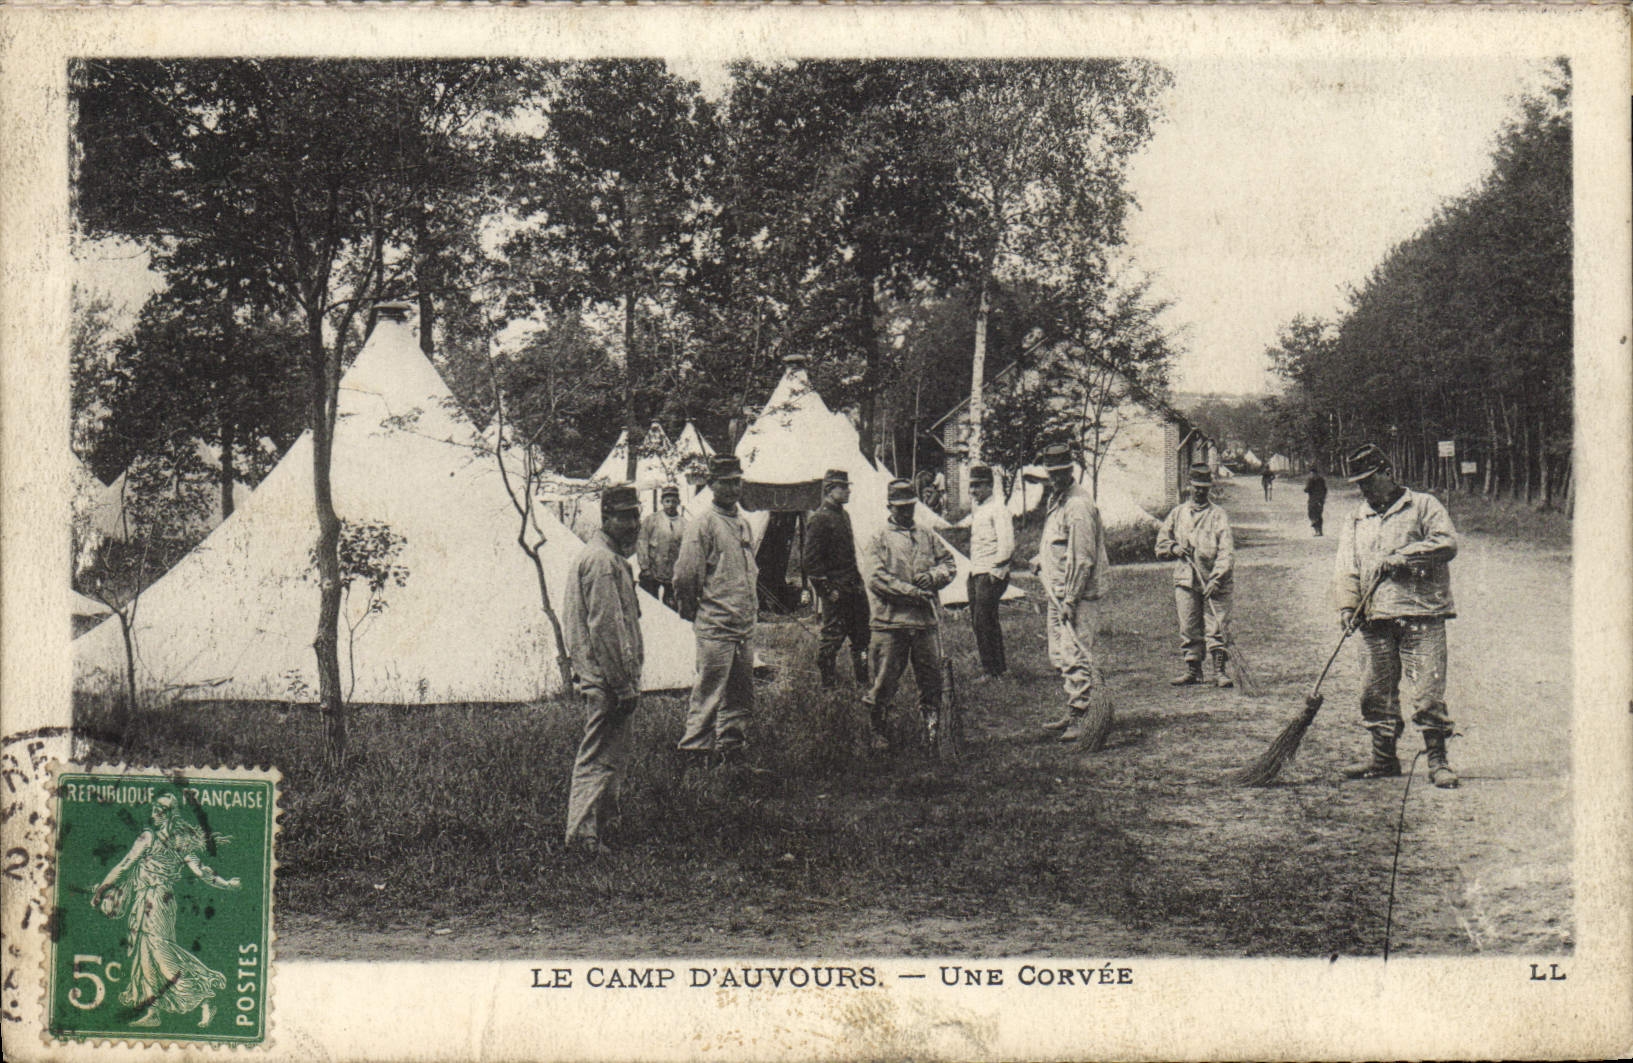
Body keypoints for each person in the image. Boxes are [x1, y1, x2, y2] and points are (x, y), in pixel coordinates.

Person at [1332, 442, 1460, 788]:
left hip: (1422, 615)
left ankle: (1437, 761)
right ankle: (1384, 759)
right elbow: (1347, 565)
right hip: (1375, 619)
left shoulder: (1422, 505)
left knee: (1428, 693)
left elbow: (1447, 543)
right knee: (1375, 692)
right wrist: (1347, 605)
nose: (1364, 489)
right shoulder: (1357, 517)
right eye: (1359, 483)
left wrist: (1406, 555)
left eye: (1370, 480)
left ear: (1388, 473)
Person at [90, 793, 241, 1028]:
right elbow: (201, 871)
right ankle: (153, 1012)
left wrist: (101, 889)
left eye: (160, 809)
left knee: (161, 954)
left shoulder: (152, 838)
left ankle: (205, 997)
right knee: (145, 955)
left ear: (169, 814)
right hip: (151, 900)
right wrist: (226, 884)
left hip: (156, 901)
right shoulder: (175, 842)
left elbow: (125, 865)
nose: (155, 811)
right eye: (155, 807)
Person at [561, 483, 646, 856]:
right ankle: (581, 836)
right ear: (606, 518)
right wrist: (622, 684)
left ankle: (603, 829)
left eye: (636, 515)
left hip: (607, 677)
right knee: (597, 758)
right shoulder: (600, 561)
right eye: (624, 516)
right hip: (605, 679)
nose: (632, 524)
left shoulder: (609, 558)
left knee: (612, 757)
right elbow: (606, 629)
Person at [674, 455, 761, 774]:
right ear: (711, 484)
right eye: (725, 481)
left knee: (741, 692)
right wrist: (695, 612)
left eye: (737, 481)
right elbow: (685, 576)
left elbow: (748, 571)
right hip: (715, 625)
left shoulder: (743, 523)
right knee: (709, 690)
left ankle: (731, 749)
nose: (732, 487)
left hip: (742, 624)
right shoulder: (703, 524)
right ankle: (695, 752)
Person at [861, 479, 956, 751]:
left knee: (931, 681)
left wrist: (933, 577)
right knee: (883, 682)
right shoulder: (879, 538)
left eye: (910, 507)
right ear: (889, 506)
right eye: (901, 508)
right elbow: (876, 579)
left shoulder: (926, 534)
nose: (906, 512)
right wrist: (912, 592)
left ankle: (933, 732)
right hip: (890, 624)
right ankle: (878, 731)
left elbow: (948, 563)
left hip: (925, 623)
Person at [1034, 444, 1111, 743]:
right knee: (1062, 655)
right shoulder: (1059, 500)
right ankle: (1073, 708)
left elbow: (1082, 558)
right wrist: (1041, 559)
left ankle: (1082, 714)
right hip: (1058, 592)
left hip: (1076, 595)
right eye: (1050, 473)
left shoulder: (1078, 506)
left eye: (1060, 472)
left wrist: (1071, 599)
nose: (1054, 478)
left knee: (1076, 653)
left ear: (1071, 471)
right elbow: (1058, 544)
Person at [1156, 463, 1237, 687]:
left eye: (1204, 487)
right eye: (1196, 487)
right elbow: (1161, 543)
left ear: (1209, 488)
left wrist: (1217, 578)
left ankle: (1220, 671)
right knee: (1189, 626)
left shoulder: (1218, 515)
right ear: (1189, 486)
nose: (1200, 492)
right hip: (1186, 579)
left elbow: (1226, 552)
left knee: (1217, 626)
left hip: (1215, 581)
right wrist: (1174, 549)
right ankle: (1193, 670)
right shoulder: (1178, 513)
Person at [802, 469, 870, 688]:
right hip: (837, 591)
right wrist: (827, 590)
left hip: (854, 587)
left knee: (862, 637)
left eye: (848, 486)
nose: (848, 491)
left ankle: (863, 680)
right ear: (830, 490)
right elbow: (811, 562)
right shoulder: (819, 519)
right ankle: (828, 684)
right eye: (843, 487)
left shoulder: (844, 515)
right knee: (832, 638)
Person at [962, 465, 1014, 678]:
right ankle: (997, 669)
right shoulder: (979, 509)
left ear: (989, 486)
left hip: (991, 573)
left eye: (977, 486)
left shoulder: (999, 509)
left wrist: (995, 572)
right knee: (982, 620)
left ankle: (992, 670)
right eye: (971, 486)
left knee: (983, 620)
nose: (973, 491)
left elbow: (1007, 545)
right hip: (977, 572)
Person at [636, 484, 685, 608]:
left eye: (674, 501)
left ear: (678, 502)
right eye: (667, 501)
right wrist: (645, 567)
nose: (670, 504)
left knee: (671, 607)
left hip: (672, 573)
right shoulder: (652, 520)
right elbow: (642, 542)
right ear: (662, 502)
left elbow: (685, 550)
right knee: (649, 605)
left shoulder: (684, 524)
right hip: (652, 570)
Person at [1305, 465, 1329, 537]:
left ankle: (1317, 530)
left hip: (1313, 500)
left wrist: (1306, 489)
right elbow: (1325, 489)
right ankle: (1320, 531)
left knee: (1312, 514)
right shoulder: (1321, 479)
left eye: (1312, 473)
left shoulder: (1311, 480)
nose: (1311, 474)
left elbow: (1307, 489)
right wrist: (1323, 498)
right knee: (1318, 515)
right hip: (1320, 500)